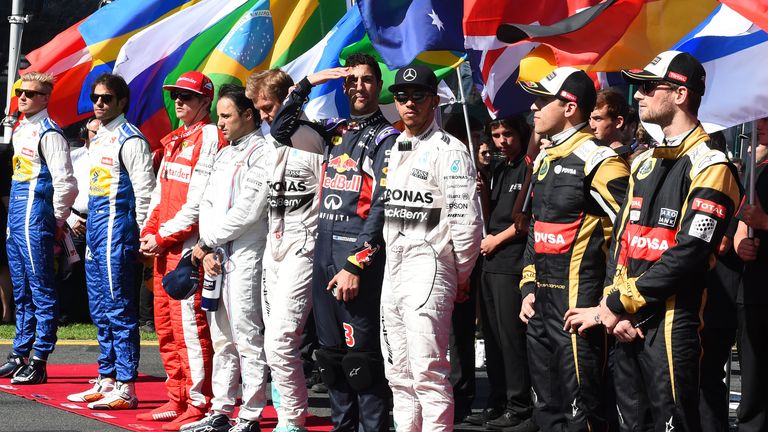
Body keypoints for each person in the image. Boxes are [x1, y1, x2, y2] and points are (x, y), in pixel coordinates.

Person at [564, 51, 742, 431]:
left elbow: (690, 253)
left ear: (679, 94)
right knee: (631, 424)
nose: (637, 96)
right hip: (625, 320)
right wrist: (613, 305)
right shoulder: (643, 162)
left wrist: (620, 303)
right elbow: (622, 243)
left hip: (672, 322)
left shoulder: (712, 165)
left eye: (646, 87)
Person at [269, 54, 398, 431]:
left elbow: (382, 205)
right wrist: (308, 82)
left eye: (367, 80)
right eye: (352, 81)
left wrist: (356, 264)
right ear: (343, 87)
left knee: (363, 363)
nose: (359, 86)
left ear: (378, 86)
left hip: (354, 260)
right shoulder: (334, 130)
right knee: (331, 359)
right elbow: (280, 129)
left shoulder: (386, 138)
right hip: (322, 253)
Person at [517, 67, 629, 431]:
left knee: (584, 414)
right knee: (546, 411)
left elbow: (629, 236)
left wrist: (608, 304)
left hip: (579, 310)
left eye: (541, 100)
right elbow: (537, 229)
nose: (533, 108)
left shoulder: (601, 162)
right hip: (541, 308)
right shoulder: (547, 158)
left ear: (569, 108)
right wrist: (528, 288)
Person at [381, 64, 483, 430]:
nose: (408, 104)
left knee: (428, 371)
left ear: (434, 101)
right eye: (401, 97)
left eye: (417, 97)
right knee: (399, 373)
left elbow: (466, 221)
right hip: (394, 267)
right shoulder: (394, 147)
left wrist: (460, 274)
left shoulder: (451, 150)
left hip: (430, 265)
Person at [136, 71, 225, 430]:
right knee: (166, 328)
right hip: (163, 246)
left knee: (190, 329)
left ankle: (199, 403)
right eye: (175, 96)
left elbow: (197, 203)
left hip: (188, 250)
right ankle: (177, 398)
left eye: (187, 97)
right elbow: (160, 193)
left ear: (206, 102)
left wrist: (164, 236)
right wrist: (148, 230)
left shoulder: (208, 136)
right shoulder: (175, 138)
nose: (179, 102)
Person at [182, 84, 271, 432]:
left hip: (246, 256)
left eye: (226, 116)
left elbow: (249, 210)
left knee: (246, 336)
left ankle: (250, 414)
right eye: (218, 116)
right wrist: (206, 250)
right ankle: (220, 410)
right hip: (215, 257)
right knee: (221, 338)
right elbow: (208, 205)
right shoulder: (223, 153)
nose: (219, 123)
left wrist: (207, 243)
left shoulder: (262, 152)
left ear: (248, 115)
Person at [67, 73, 155, 410]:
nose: (99, 103)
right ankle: (106, 378)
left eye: (106, 98)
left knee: (119, 308)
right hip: (95, 229)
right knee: (100, 308)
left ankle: (126, 385)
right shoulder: (99, 137)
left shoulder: (130, 140)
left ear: (121, 102)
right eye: (95, 98)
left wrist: (145, 235)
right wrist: (78, 215)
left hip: (119, 228)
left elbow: (145, 192)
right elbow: (92, 186)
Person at [247, 69, 325, 431]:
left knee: (281, 338)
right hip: (273, 244)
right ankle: (288, 410)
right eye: (259, 109)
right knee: (272, 341)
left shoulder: (309, 136)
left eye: (268, 106)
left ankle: (292, 419)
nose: (264, 115)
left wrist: (303, 87)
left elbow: (285, 125)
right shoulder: (267, 144)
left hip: (304, 244)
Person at [0, 72, 78, 384]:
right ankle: (19, 352)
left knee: (42, 290)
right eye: (21, 91)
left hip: (37, 218)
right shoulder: (21, 129)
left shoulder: (50, 133)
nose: (24, 97)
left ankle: (40, 358)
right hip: (16, 218)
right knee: (21, 290)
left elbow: (67, 184)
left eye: (32, 94)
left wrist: (56, 221)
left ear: (45, 98)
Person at [468, 115, 536, 431]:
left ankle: (519, 405)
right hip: (489, 261)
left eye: (507, 134)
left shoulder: (529, 167)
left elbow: (523, 222)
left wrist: (496, 239)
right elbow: (489, 214)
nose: (501, 141)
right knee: (493, 340)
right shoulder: (497, 168)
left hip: (511, 264)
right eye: (495, 135)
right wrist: (481, 191)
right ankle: (497, 400)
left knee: (511, 340)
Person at [733, 116, 768, 432]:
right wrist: (741, 241)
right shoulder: (757, 167)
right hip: (754, 291)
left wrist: (766, 222)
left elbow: (758, 216)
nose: (759, 124)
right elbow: (744, 217)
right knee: (752, 382)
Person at [58, 117, 101, 325]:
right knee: (70, 269)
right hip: (74, 221)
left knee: (97, 271)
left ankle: (91, 315)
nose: (98, 135)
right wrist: (71, 218)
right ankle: (65, 314)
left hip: (100, 222)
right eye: (94, 132)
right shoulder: (74, 157)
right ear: (85, 134)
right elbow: (62, 189)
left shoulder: (110, 159)